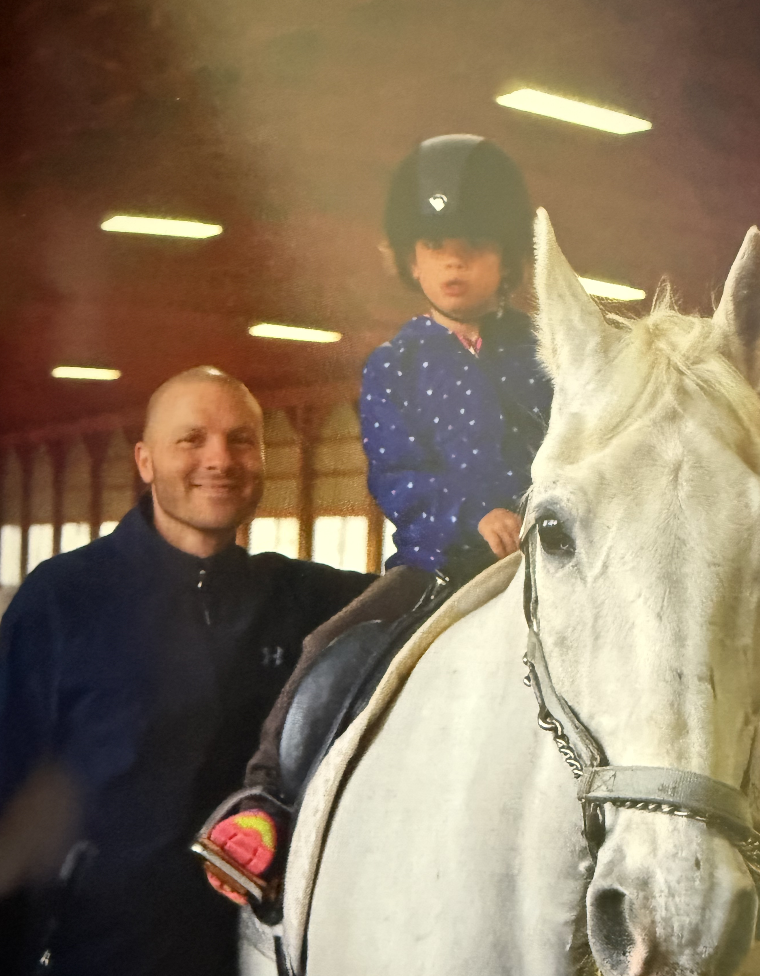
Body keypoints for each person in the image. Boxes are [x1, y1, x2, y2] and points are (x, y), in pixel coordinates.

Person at [0, 367, 374, 976]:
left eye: (240, 440)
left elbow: (419, 596)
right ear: (145, 461)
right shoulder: (62, 599)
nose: (219, 458)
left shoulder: (297, 600)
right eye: (192, 440)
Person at [205, 134, 553, 900]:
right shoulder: (394, 365)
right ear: (410, 258)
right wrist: (471, 515)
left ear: (506, 259)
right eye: (436, 247)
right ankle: (269, 799)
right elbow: (397, 474)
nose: (454, 264)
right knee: (328, 645)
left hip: (545, 561)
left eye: (473, 247)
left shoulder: (545, 350)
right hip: (438, 564)